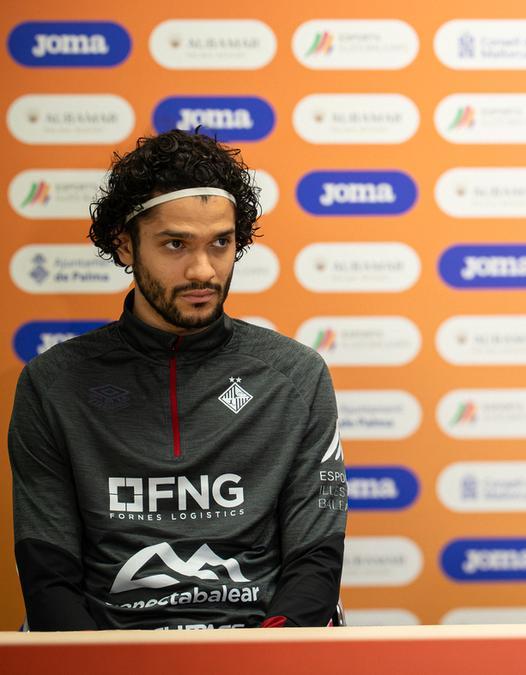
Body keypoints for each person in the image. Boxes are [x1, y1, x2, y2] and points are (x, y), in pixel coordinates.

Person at [8, 130, 347, 630]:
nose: (202, 270)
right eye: (174, 244)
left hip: (260, 648)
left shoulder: (296, 375)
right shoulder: (52, 383)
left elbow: (315, 561)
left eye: (221, 243)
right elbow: (48, 574)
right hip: (110, 654)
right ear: (125, 246)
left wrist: (260, 661)